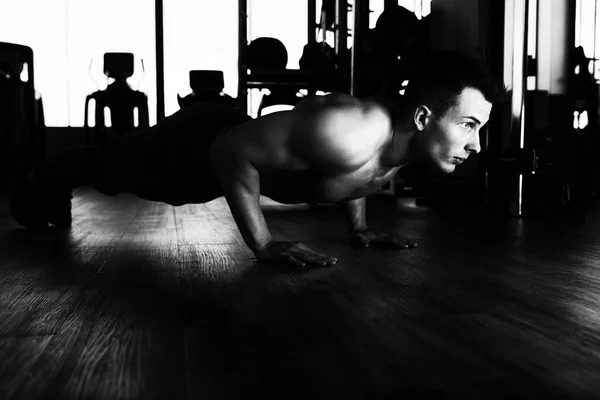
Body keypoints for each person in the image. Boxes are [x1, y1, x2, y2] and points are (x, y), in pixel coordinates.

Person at [10, 51, 502, 268]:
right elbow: (230, 152)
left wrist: (359, 229)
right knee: (113, 171)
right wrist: (263, 245)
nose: (476, 143)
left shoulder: (401, 145)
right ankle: (35, 181)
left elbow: (358, 176)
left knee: (117, 171)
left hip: (225, 142)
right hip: (200, 144)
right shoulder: (349, 131)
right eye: (469, 125)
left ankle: (48, 188)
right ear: (422, 116)